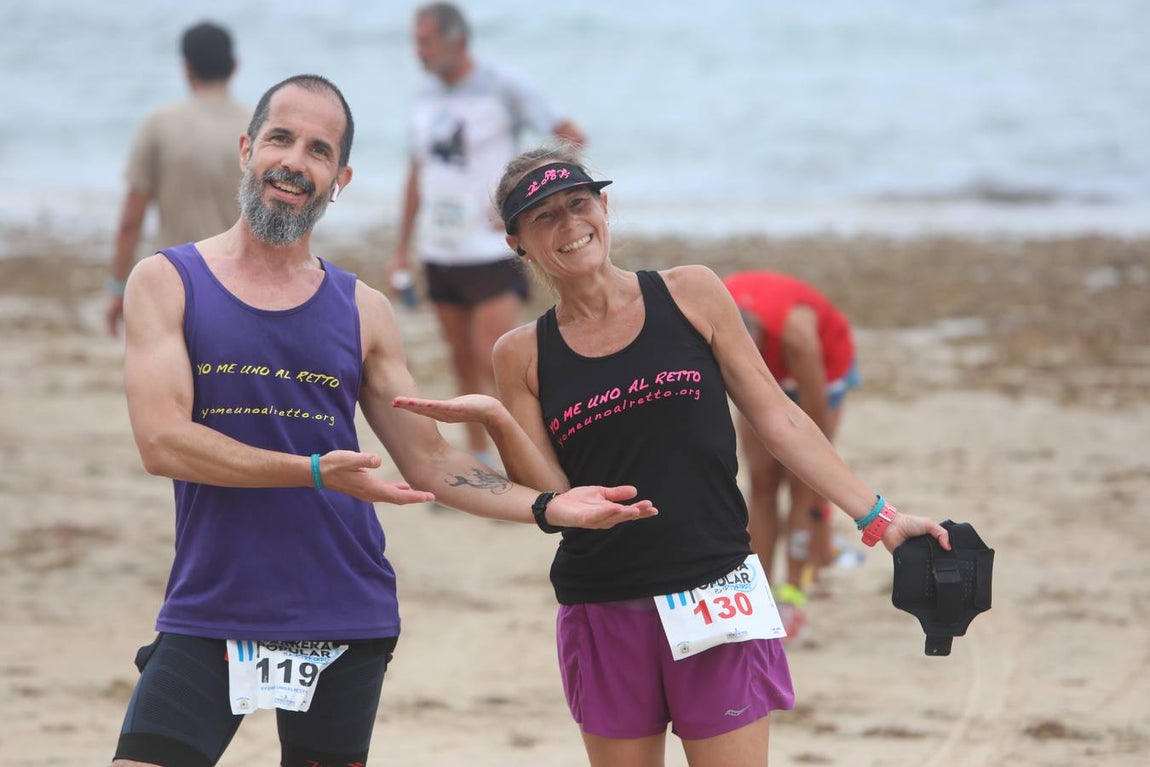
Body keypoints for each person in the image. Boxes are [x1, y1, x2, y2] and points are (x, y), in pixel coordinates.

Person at [110, 75, 655, 767]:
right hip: (212, 605)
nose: (294, 162)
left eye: (319, 151)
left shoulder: (362, 308)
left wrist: (549, 506)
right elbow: (163, 442)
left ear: (340, 179)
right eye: (281, 139)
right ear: (247, 149)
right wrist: (312, 471)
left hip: (344, 610)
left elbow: (430, 462)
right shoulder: (168, 281)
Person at [393, 144, 952, 767]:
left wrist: (878, 517)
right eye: (544, 216)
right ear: (516, 242)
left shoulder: (691, 293)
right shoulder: (520, 353)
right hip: (605, 599)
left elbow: (782, 420)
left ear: (605, 207)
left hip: (717, 587)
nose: (570, 224)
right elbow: (552, 499)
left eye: (578, 203)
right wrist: (498, 421)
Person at [390, 2, 587, 462]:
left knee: (492, 359)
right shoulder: (423, 95)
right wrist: (401, 249)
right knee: (459, 358)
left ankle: (526, 457)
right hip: (439, 247)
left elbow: (570, 137)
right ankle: (481, 458)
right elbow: (417, 172)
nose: (418, 51)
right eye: (415, 41)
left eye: (425, 41)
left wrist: (529, 204)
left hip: (490, 248)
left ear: (457, 40)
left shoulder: (502, 84)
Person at [724, 270, 862, 639]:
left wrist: (819, 485)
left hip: (823, 366)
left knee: (804, 480)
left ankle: (792, 598)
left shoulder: (796, 336)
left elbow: (812, 439)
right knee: (762, 481)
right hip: (763, 370)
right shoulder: (711, 314)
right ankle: (758, 594)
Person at [105, 21, 251, 337]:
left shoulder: (159, 125)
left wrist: (118, 288)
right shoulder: (257, 128)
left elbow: (131, 220)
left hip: (172, 282)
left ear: (187, 68)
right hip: (242, 289)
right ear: (235, 66)